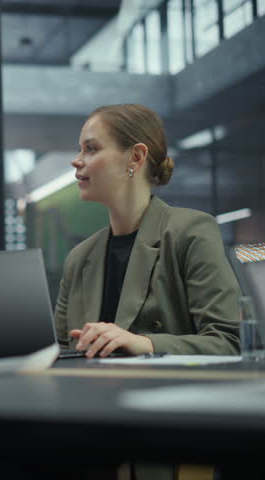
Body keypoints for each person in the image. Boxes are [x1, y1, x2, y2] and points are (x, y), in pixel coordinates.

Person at [54, 104, 241, 358]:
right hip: (89, 395)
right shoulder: (78, 259)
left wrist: (146, 344)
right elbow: (58, 354)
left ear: (136, 157)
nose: (76, 160)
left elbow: (229, 342)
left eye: (91, 148)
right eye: (80, 149)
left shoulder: (191, 233)